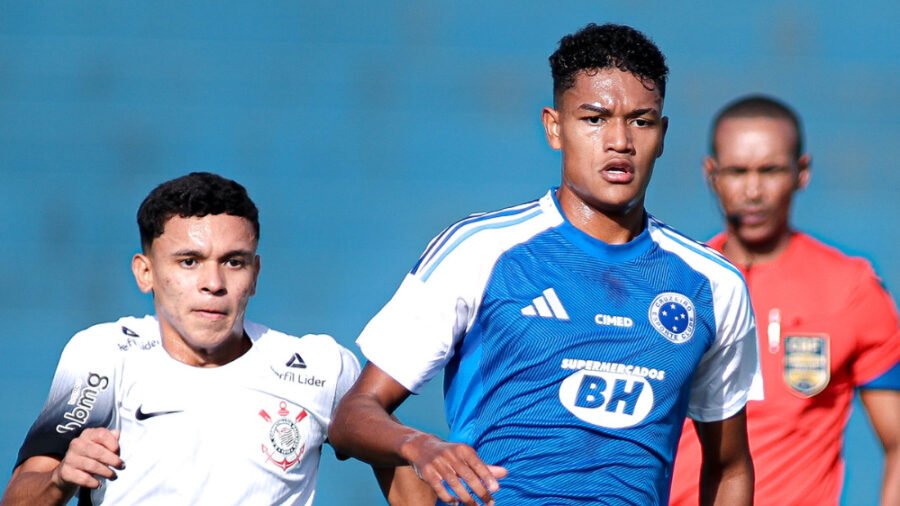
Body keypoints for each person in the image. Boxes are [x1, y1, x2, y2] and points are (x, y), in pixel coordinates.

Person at [328, 23, 761, 506]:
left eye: (640, 121)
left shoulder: (713, 284)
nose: (619, 140)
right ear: (555, 127)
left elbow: (728, 466)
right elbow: (352, 416)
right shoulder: (480, 250)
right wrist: (419, 446)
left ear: (661, 135)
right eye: (594, 119)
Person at [1, 172, 421, 505]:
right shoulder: (105, 356)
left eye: (233, 262)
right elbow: (21, 493)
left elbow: (404, 474)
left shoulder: (320, 369)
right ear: (145, 272)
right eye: (190, 262)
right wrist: (60, 480)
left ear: (255, 275)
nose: (213, 283)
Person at [669, 95, 900, 505]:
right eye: (737, 171)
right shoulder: (677, 285)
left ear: (801, 173)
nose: (753, 191)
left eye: (770, 170)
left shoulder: (852, 287)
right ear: (712, 174)